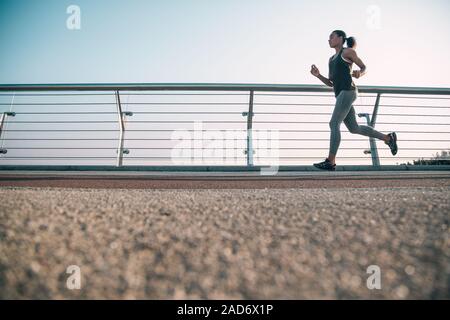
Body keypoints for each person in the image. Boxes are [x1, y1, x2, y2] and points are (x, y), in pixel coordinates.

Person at [310, 30, 397, 171]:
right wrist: (318, 75)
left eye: (331, 37)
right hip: (341, 95)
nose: (329, 40)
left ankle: (330, 161)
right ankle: (388, 138)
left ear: (340, 38)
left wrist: (359, 73)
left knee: (333, 123)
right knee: (354, 128)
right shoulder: (331, 59)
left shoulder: (347, 52)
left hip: (348, 92)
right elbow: (331, 83)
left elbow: (364, 67)